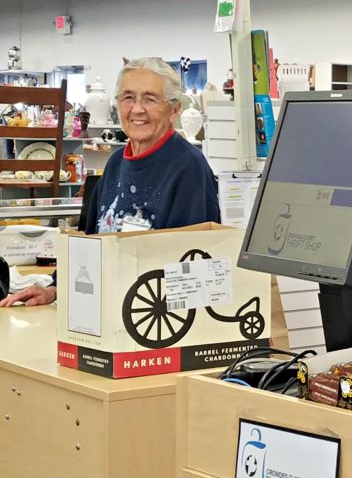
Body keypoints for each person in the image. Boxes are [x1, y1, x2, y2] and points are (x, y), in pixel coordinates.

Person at [0, 57, 220, 307]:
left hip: (150, 315)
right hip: (107, 307)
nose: (137, 109)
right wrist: (54, 288)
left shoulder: (188, 167)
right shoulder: (116, 163)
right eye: (128, 98)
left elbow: (193, 266)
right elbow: (91, 240)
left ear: (174, 109)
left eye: (149, 99)